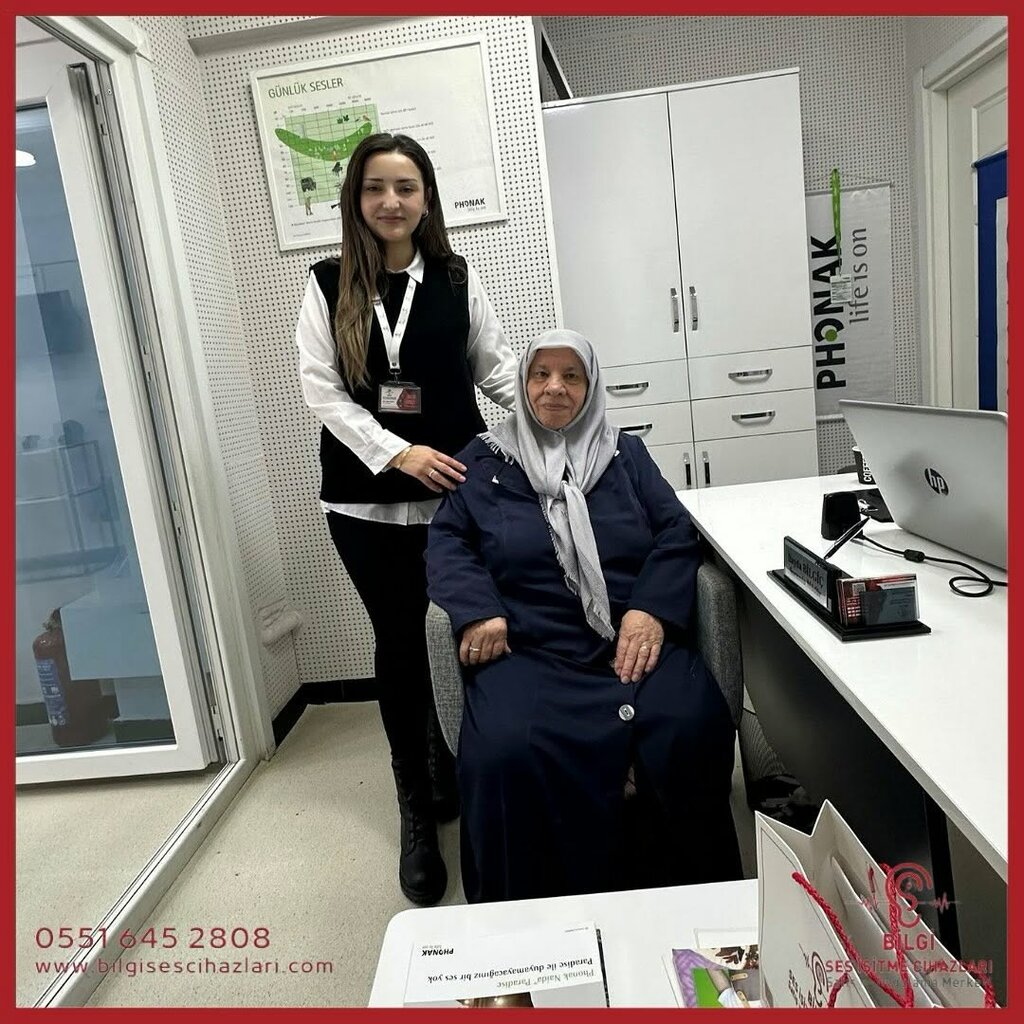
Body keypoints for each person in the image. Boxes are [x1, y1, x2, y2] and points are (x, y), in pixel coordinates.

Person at [425, 329, 742, 903]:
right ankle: (527, 923)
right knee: (505, 749)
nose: (555, 387)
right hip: (530, 648)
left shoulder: (626, 455)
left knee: (687, 725)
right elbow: (447, 542)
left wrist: (650, 609)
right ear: (522, 384)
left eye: (571, 375)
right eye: (541, 374)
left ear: (591, 386)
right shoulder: (483, 460)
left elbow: (676, 530)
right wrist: (478, 610)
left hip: (630, 638)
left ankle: (695, 907)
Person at [295, 133, 516, 906]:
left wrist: (562, 410)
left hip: (455, 494)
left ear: (427, 198)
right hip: (365, 501)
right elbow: (322, 391)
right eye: (375, 188)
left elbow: (497, 370)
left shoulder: (456, 277)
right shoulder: (327, 283)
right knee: (397, 640)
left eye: (406, 187)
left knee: (461, 631)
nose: (391, 201)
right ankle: (415, 804)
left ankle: (452, 762)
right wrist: (398, 453)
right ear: (355, 199)